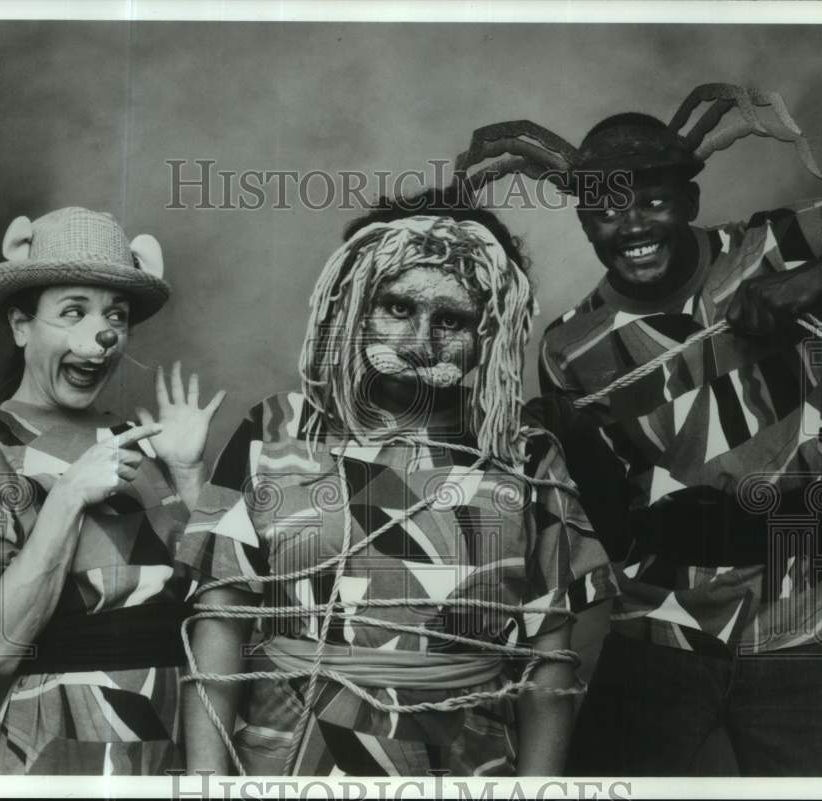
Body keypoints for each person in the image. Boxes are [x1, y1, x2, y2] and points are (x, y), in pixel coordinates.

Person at [454, 86, 822, 775]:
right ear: (584, 220)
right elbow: (614, 527)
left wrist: (809, 281)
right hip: (659, 622)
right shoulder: (570, 347)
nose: (632, 224)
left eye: (653, 200)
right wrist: (567, 442)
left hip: (804, 616)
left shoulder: (774, 246)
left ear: (692, 202)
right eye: (607, 208)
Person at [178, 195, 617, 777]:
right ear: (356, 307)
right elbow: (219, 620)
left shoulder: (524, 452)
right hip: (290, 757)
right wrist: (207, 784)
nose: (420, 343)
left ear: (490, 330)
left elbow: (552, 655)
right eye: (397, 308)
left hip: (464, 764)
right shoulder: (278, 430)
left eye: (451, 320)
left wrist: (537, 793)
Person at [0, 206, 224, 775]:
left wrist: (188, 476)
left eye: (116, 314)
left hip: (174, 739)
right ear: (21, 325)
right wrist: (66, 497)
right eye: (73, 311)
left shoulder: (139, 443)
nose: (104, 333)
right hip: (59, 745)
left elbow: (220, 608)